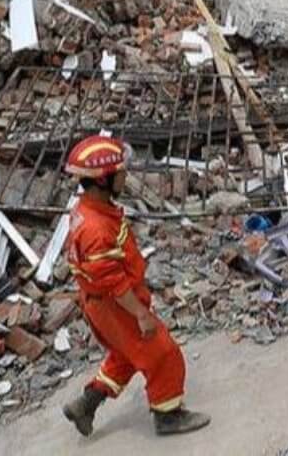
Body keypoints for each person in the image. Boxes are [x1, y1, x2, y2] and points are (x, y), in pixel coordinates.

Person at [61, 135, 210, 438]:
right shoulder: (96, 228)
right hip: (116, 306)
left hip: (101, 305)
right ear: (103, 180)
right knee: (163, 355)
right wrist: (141, 314)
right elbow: (112, 280)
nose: (125, 177)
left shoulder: (86, 212)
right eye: (121, 172)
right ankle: (168, 416)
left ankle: (86, 404)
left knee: (126, 355)